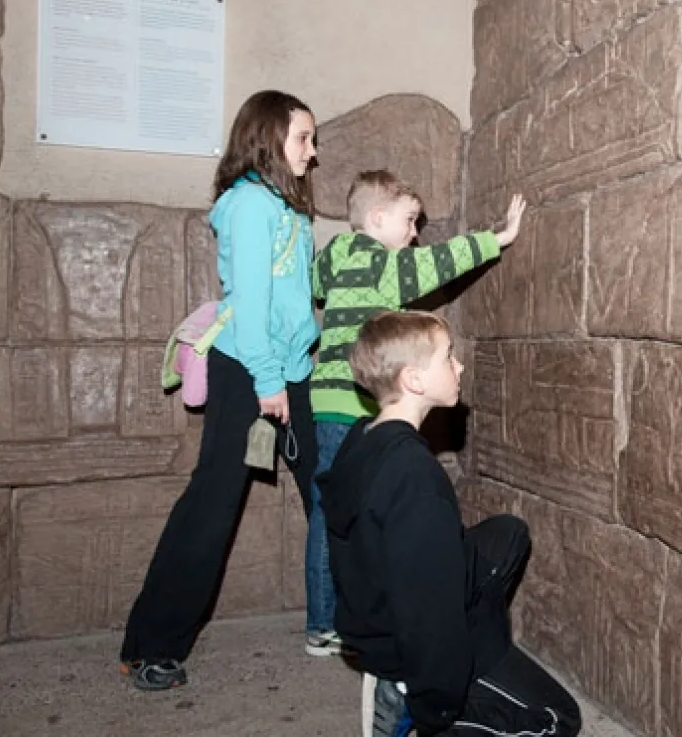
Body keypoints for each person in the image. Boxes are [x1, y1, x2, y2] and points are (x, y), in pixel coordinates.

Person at [118, 89, 321, 691]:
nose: (313, 152)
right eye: (303, 138)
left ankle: (371, 624)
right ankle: (152, 645)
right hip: (250, 371)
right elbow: (251, 305)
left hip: (293, 368)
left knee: (332, 493)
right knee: (212, 505)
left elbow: (293, 302)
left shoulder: (290, 211)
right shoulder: (247, 206)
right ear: (268, 139)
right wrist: (267, 382)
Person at [321, 310, 582, 736]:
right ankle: (416, 701)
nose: (459, 366)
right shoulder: (414, 475)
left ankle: (477, 656)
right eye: (448, 357)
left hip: (370, 612)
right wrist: (435, 702)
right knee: (557, 719)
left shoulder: (364, 434)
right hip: (402, 643)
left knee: (508, 534)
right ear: (414, 380)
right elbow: (425, 607)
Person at [301, 169, 525, 656]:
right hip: (357, 399)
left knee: (328, 507)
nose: (414, 234)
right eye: (408, 221)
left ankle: (323, 617)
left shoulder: (338, 253)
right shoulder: (385, 264)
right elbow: (439, 263)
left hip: (323, 398)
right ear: (378, 219)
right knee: (354, 511)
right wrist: (498, 238)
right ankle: (327, 623)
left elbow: (316, 283)